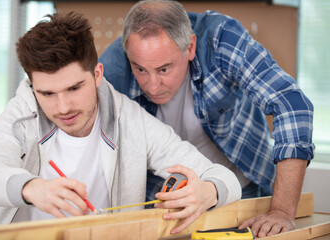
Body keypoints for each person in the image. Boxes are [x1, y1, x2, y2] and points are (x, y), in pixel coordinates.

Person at [0, 12, 241, 234]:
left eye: (74, 88)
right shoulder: (21, 113)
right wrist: (31, 187)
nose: (63, 107)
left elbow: (225, 178)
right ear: (33, 87)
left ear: (97, 74)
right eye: (47, 94)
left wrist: (209, 191)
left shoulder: (133, 121)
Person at [98, 0, 315, 237]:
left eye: (164, 69)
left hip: (244, 191)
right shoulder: (111, 70)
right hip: (167, 203)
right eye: (140, 69)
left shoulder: (220, 39)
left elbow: (292, 106)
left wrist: (282, 211)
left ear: (190, 47)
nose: (152, 85)